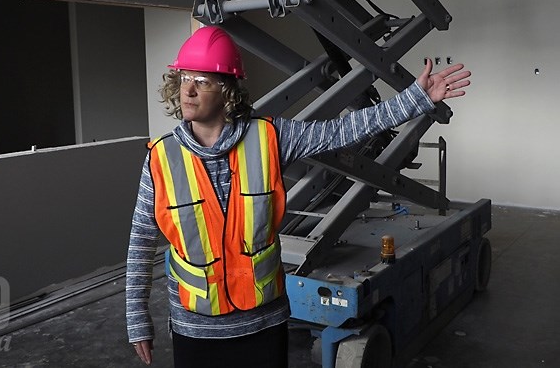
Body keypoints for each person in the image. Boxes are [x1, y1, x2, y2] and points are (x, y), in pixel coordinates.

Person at [126, 26, 470, 367]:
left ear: (227, 89)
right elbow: (142, 240)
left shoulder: (270, 137)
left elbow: (341, 131)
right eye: (184, 77)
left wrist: (415, 99)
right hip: (195, 332)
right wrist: (137, 318)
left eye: (202, 81)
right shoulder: (161, 157)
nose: (188, 90)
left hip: (263, 327)